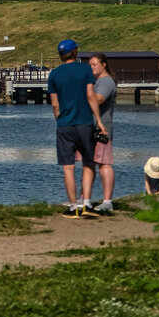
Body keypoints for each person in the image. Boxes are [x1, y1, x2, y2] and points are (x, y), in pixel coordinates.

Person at [46, 39, 106, 218]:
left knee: (68, 167)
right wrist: (99, 121)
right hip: (84, 123)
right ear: (75, 52)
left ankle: (73, 207)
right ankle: (87, 203)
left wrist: (60, 120)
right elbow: (90, 95)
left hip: (64, 125)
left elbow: (55, 105)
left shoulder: (54, 75)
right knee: (88, 163)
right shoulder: (85, 69)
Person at [77, 52, 117, 213]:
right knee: (88, 163)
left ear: (103, 64)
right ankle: (83, 198)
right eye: (90, 65)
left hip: (102, 129)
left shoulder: (106, 82)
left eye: (94, 64)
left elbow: (98, 99)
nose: (91, 67)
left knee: (104, 163)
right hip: (90, 127)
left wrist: (82, 93)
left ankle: (107, 200)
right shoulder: (96, 81)